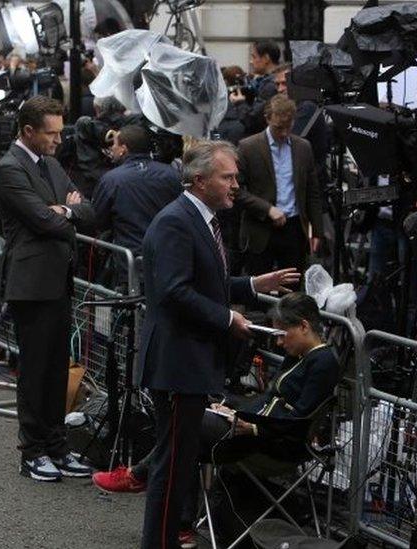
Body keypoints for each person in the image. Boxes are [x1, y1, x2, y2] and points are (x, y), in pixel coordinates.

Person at [135, 140, 300, 549]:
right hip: (177, 361)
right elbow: (175, 291)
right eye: (227, 177)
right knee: (171, 465)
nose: (235, 185)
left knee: (177, 462)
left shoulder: (201, 218)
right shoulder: (177, 221)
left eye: (235, 177)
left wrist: (250, 286)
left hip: (188, 360)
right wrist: (228, 319)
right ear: (199, 180)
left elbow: (203, 284)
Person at [94, 293, 339, 545]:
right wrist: (231, 410)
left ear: (303, 326)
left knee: (188, 423)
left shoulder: (323, 363)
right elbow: (269, 399)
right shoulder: (301, 356)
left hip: (273, 443)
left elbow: (299, 420)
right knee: (188, 429)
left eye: (281, 334)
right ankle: (179, 521)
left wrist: (254, 427)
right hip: (259, 430)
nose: (278, 343)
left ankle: (139, 476)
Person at [0, 95, 96, 482]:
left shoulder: (50, 163)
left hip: (58, 280)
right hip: (30, 283)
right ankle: (32, 451)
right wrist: (63, 213)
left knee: (55, 370)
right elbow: (41, 221)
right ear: (28, 131)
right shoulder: (9, 169)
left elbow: (88, 209)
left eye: (60, 131)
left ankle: (57, 445)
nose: (58, 140)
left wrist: (66, 210)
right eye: (50, 133)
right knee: (35, 371)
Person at [235, 95, 323, 276]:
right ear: (267, 119)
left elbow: (312, 192)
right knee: (259, 294)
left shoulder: (303, 147)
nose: (284, 133)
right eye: (278, 128)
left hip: (293, 229)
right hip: (260, 229)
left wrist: (317, 231)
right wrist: (267, 209)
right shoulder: (248, 147)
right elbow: (236, 191)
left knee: (292, 293)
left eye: (288, 127)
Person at [92, 125, 181, 286]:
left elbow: (97, 219)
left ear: (124, 149)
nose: (112, 148)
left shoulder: (112, 180)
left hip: (130, 264)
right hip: (169, 259)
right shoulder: (171, 174)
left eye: (114, 144)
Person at [229, 40, 281, 135]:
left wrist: (240, 102)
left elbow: (252, 120)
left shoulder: (271, 85)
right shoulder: (265, 82)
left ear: (266, 58)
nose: (251, 61)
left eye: (254, 57)